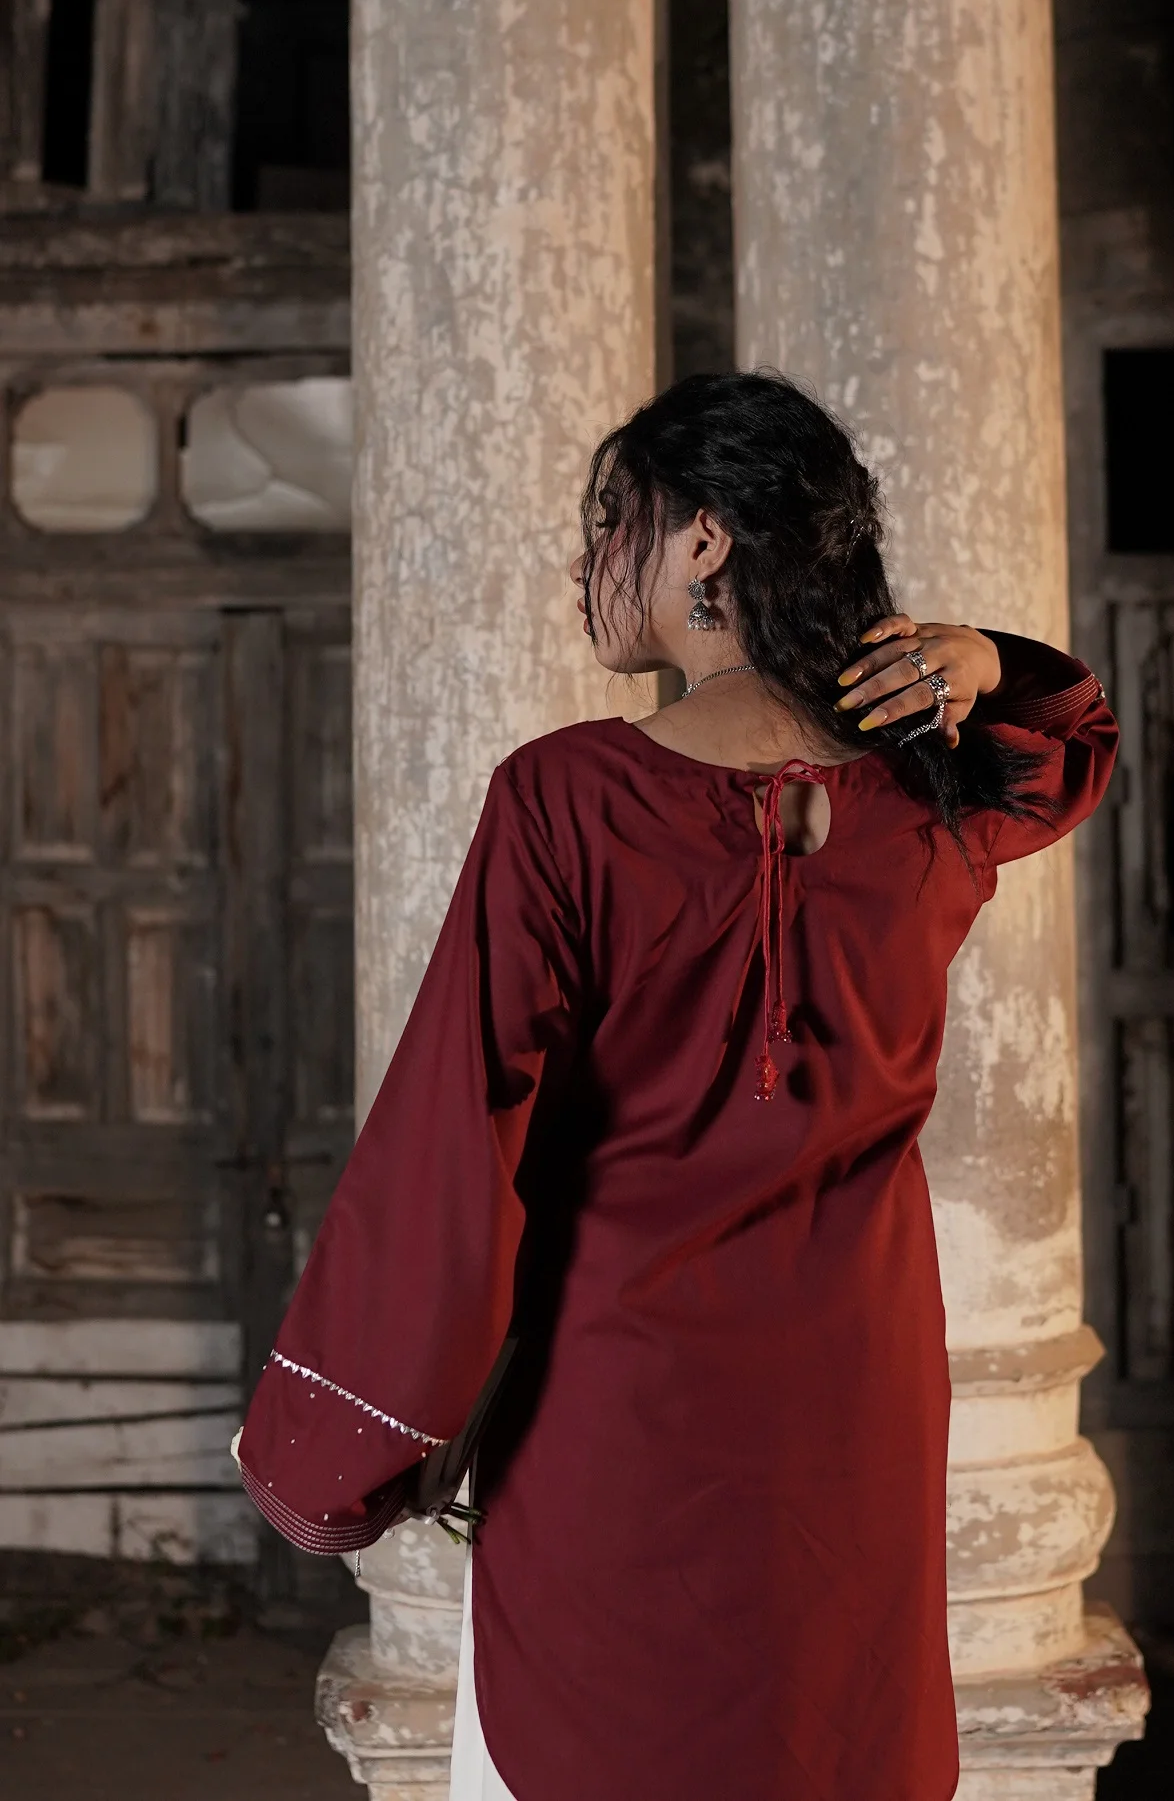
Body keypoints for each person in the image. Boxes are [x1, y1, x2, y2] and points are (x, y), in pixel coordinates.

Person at [236, 371, 1117, 1801]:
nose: (587, 560)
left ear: (705, 538)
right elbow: (1073, 743)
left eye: (614, 521)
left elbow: (457, 1137)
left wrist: (338, 1446)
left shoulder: (566, 798)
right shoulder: (931, 797)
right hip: (854, 1409)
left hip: (617, 1402)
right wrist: (982, 661)